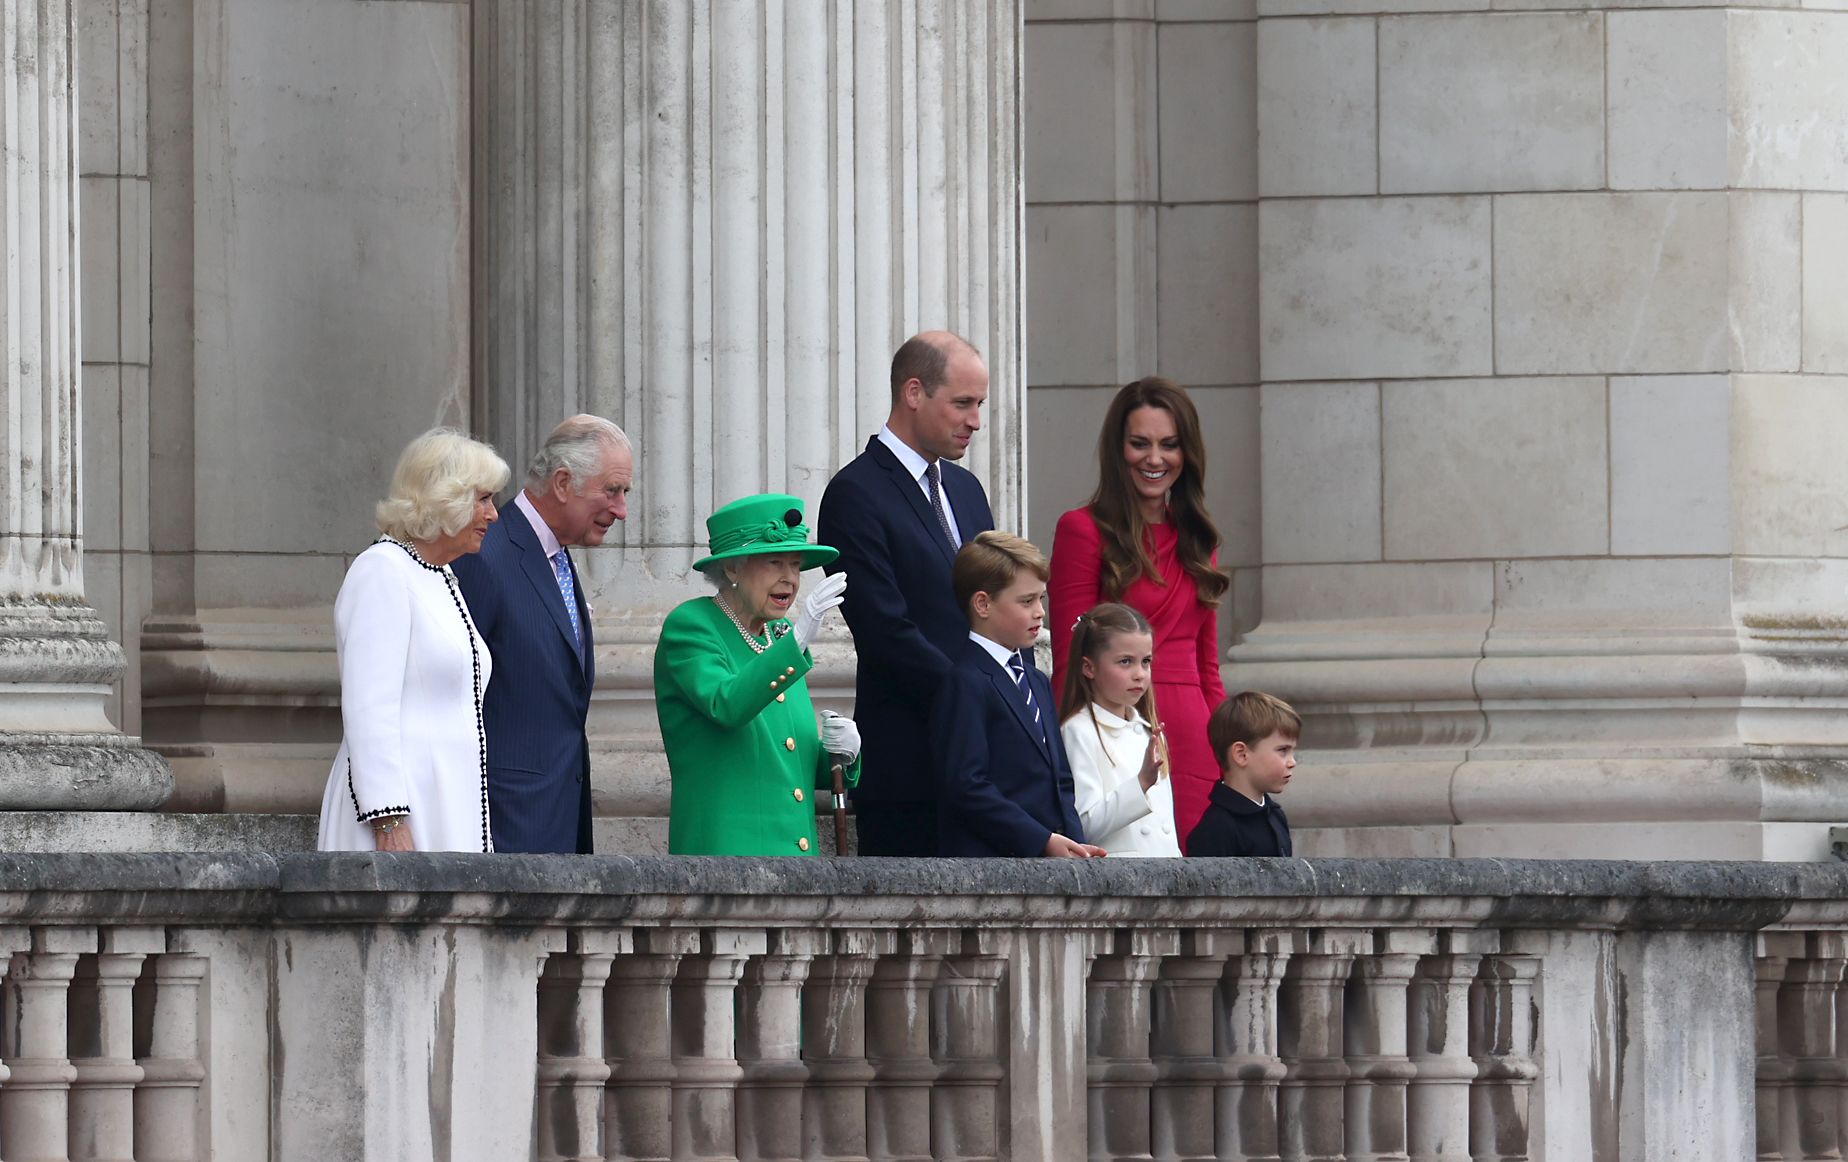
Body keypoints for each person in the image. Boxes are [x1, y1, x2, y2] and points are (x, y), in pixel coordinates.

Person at [818, 331, 996, 856]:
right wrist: (978, 694)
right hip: (911, 769)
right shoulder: (856, 492)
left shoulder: (966, 491)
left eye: (980, 405)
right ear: (913, 392)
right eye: (962, 403)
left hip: (985, 765)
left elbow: (1000, 605)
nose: (976, 422)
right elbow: (885, 631)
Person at [1048, 377, 1230, 852]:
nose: (1155, 459)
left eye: (1169, 445)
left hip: (1193, 736)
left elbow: (1207, 666)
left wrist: (1230, 749)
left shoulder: (1199, 540)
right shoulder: (1082, 530)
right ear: (1118, 448)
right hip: (1117, 737)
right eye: (1139, 444)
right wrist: (1066, 750)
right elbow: (1070, 659)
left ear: (1186, 453)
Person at [317, 428, 510, 852]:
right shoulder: (383, 570)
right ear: (446, 499)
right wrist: (388, 819)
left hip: (445, 801)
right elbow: (369, 706)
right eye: (482, 499)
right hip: (398, 814)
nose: (493, 514)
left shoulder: (438, 575)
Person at [450, 415, 632, 854]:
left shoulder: (557, 557)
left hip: (558, 824)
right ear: (564, 482)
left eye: (625, 493)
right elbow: (453, 695)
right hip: (505, 828)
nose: (622, 509)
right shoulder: (484, 553)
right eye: (612, 491)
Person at [655, 494, 861, 855]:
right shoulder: (692, 626)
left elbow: (788, 762)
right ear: (733, 568)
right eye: (775, 563)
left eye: (795, 565)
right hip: (726, 864)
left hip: (797, 864)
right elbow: (727, 704)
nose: (790, 579)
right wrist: (796, 643)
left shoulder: (777, 637)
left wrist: (841, 754)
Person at [931, 531, 1101, 858]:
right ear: (983, 603)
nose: (1039, 612)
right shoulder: (964, 681)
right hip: (992, 865)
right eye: (1026, 601)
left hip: (1050, 862)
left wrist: (1073, 842)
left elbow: (1060, 780)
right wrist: (1041, 840)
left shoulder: (1036, 680)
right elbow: (967, 785)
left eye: (1041, 599)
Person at [1058, 603, 1181, 857]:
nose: (1139, 674)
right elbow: (1083, 825)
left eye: (1145, 661)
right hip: (1118, 881)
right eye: (1125, 662)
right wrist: (1140, 784)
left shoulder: (1148, 731)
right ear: (1089, 668)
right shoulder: (1078, 730)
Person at [1187, 690, 1298, 857]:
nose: (1292, 762)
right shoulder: (1216, 829)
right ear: (1241, 754)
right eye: (1282, 751)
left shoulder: (1275, 815)